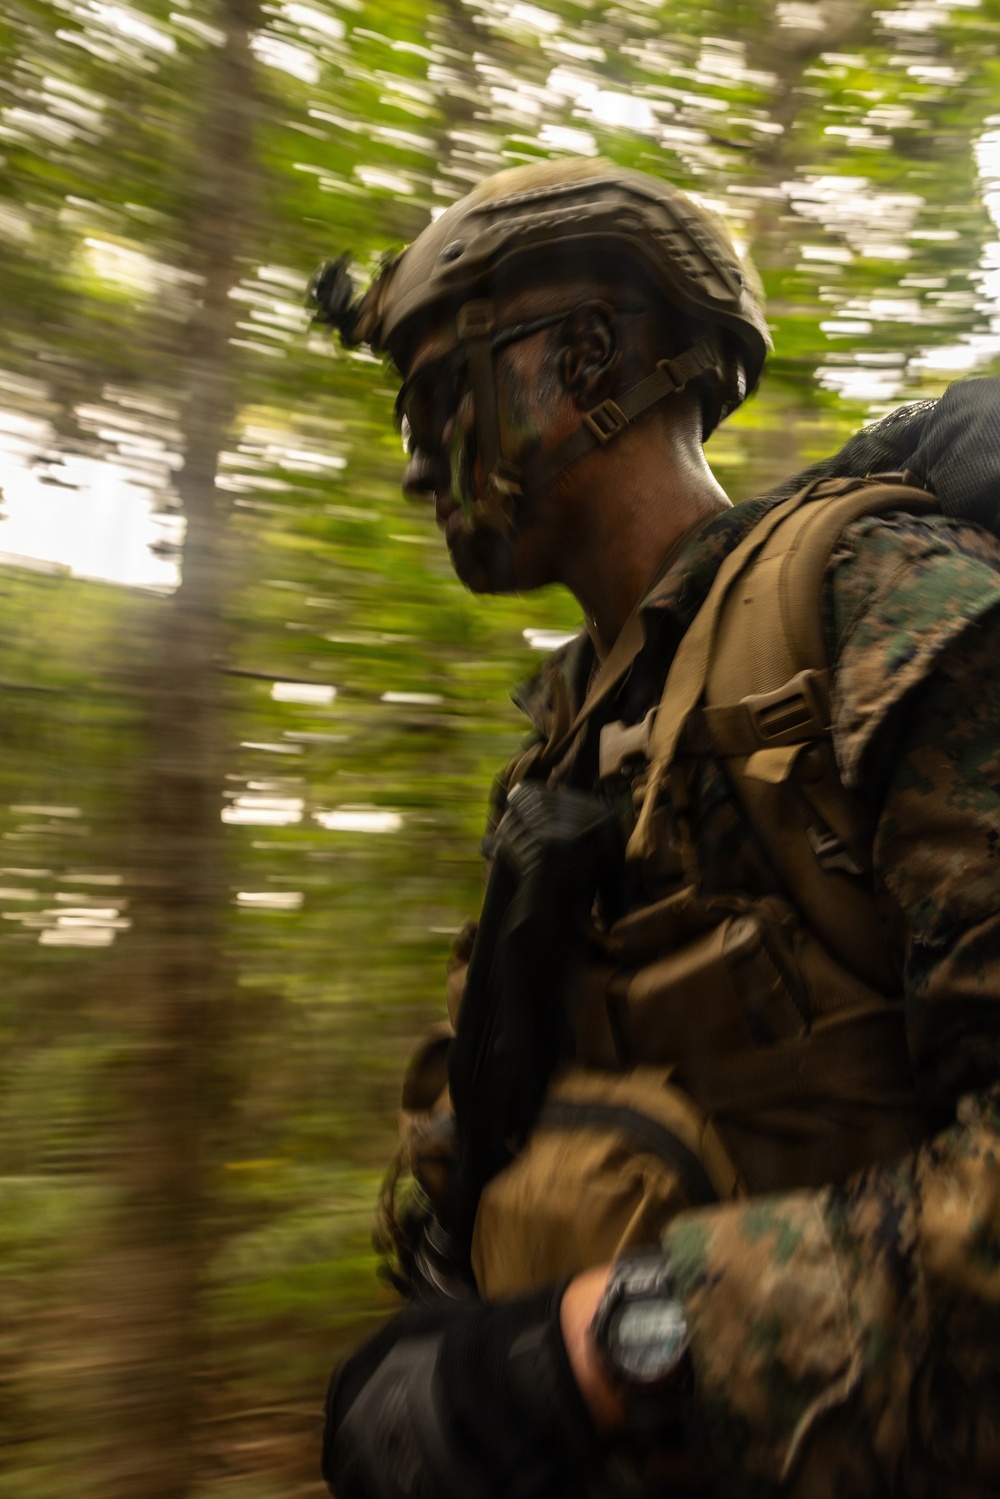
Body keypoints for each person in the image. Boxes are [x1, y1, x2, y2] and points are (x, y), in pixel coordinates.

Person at [312, 158, 1000, 1497]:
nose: (413, 469)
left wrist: (605, 1354)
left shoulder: (879, 604)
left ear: (587, 357)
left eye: (442, 397)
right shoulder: (571, 748)